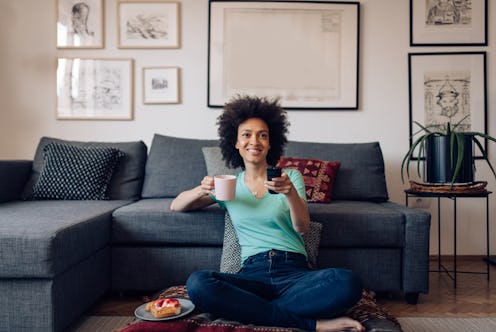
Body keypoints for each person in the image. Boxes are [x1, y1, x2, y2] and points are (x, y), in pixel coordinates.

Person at [170, 95, 364, 332]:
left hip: (294, 273)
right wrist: (200, 189)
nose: (255, 141)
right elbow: (177, 205)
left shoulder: (290, 177)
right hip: (252, 275)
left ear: (271, 143)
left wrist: (290, 194)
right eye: (247, 134)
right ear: (236, 142)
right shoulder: (229, 185)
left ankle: (252, 310)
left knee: (347, 283)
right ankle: (312, 324)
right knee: (198, 283)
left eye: (262, 134)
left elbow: (302, 227)